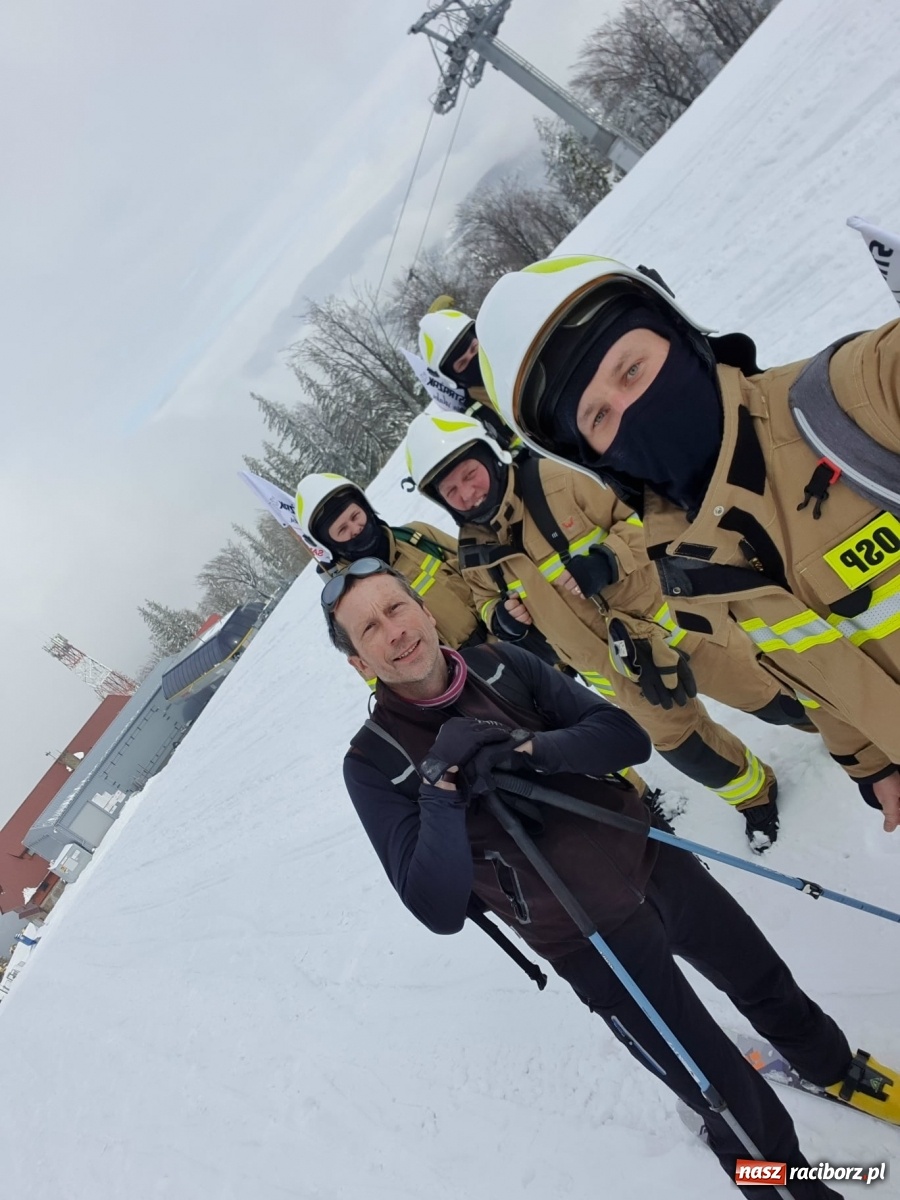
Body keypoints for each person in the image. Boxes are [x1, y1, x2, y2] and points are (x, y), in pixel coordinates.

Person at [326, 559, 899, 1199]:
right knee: (727, 1097)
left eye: (395, 608)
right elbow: (434, 904)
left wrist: (527, 751)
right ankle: (788, 1185)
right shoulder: (374, 761)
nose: (393, 631)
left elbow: (625, 737)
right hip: (587, 940)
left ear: (426, 612)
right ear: (359, 662)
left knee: (764, 980)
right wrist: (441, 791)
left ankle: (830, 1064)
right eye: (369, 629)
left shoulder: (502, 665)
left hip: (656, 862)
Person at [472, 253, 900, 834]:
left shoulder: (855, 398)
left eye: (631, 370)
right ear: (592, 456)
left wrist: (607, 560)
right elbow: (820, 664)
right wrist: (868, 761)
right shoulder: (689, 557)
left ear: (678, 334)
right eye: (599, 417)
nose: (630, 409)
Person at [404, 411, 816, 849]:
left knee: (775, 696)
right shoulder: (473, 552)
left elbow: (646, 517)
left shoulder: (557, 479)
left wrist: (606, 559)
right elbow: (485, 602)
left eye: (470, 475)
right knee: (687, 748)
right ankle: (755, 797)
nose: (467, 494)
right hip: (619, 671)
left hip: (677, 628)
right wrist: (502, 619)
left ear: (490, 458)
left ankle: (851, 740)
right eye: (451, 491)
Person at [295, 471, 485, 652]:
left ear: (366, 508)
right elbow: (373, 668)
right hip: (453, 679)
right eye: (342, 529)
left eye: (355, 516)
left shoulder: (417, 536)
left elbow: (482, 570)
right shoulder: (348, 598)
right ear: (330, 544)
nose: (355, 529)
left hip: (495, 642)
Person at [418, 302, 519, 452]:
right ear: (452, 378)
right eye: (462, 363)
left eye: (474, 348)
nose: (474, 359)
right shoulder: (477, 420)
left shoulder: (518, 350)